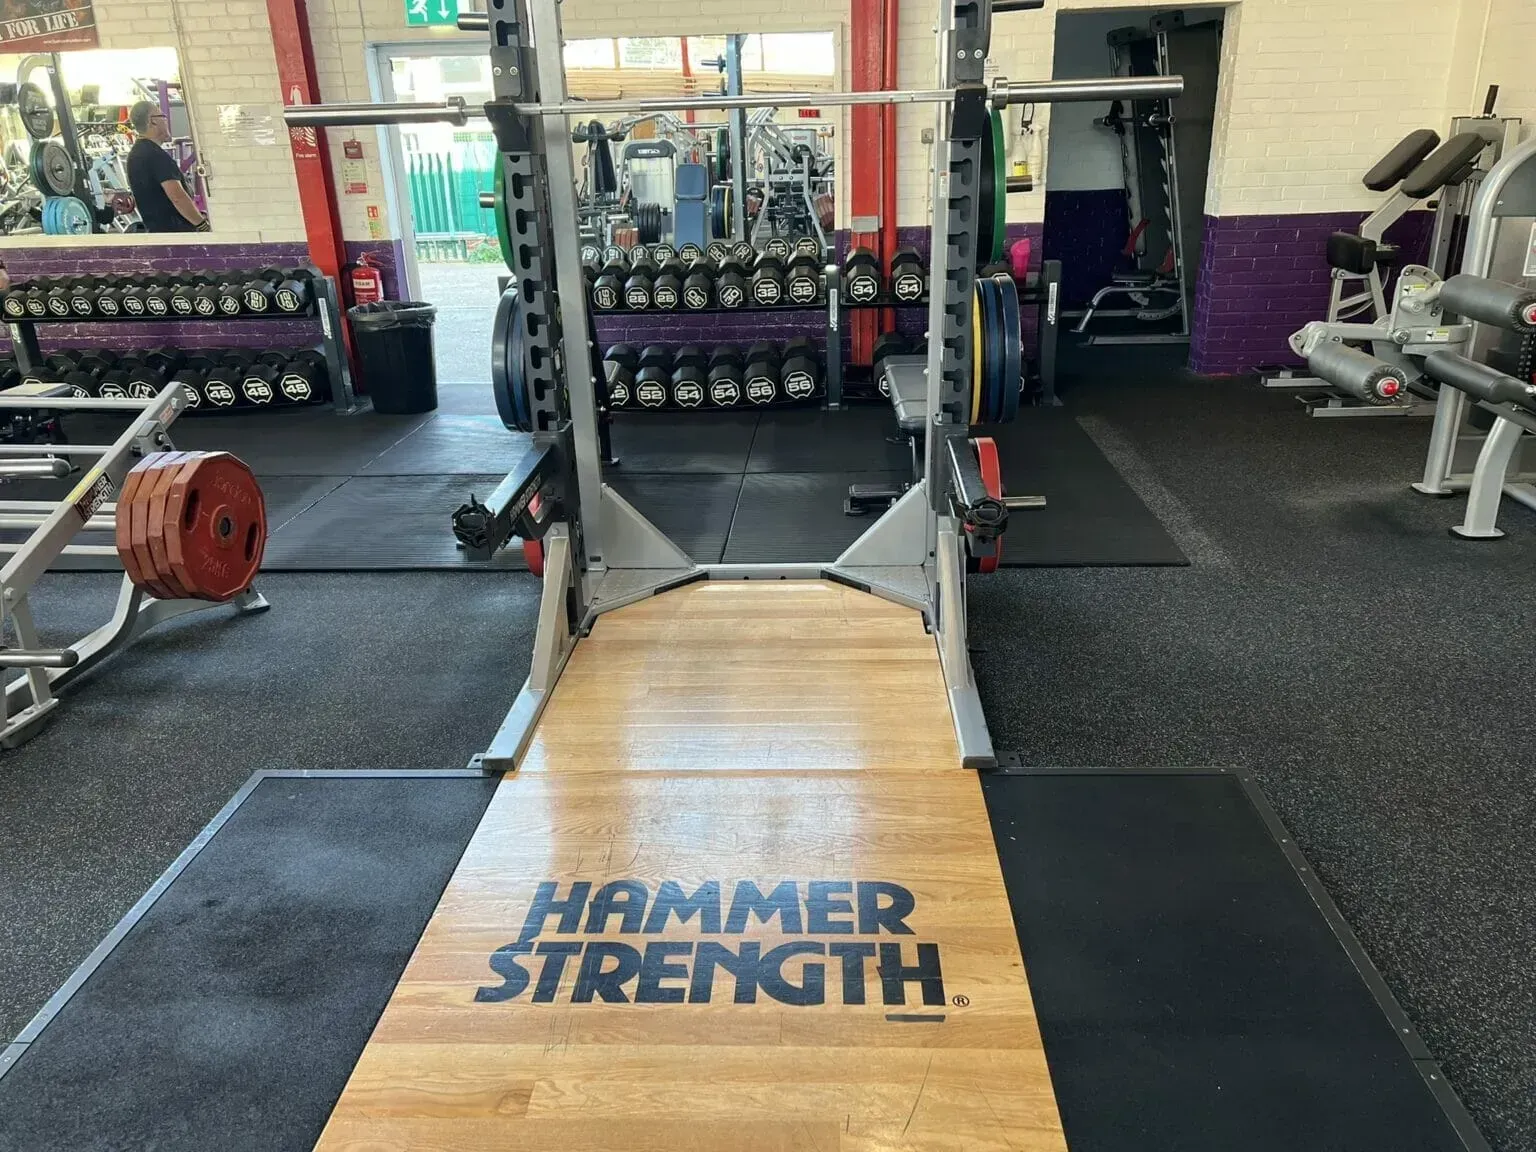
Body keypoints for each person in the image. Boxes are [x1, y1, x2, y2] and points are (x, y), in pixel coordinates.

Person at [125, 100, 209, 233]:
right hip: (176, 234)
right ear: (152, 121)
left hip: (158, 232)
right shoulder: (155, 155)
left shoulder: (136, 153)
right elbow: (177, 196)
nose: (166, 121)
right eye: (162, 116)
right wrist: (202, 225)